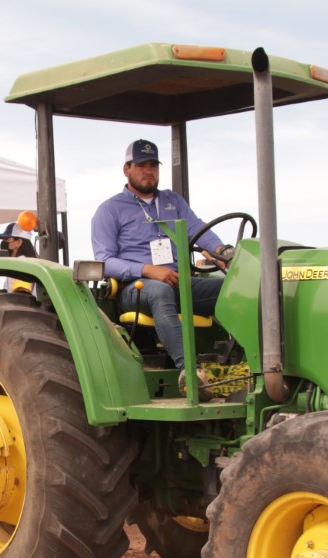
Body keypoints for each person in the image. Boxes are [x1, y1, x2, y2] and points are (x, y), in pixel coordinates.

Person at [91, 139, 235, 397]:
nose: (148, 171)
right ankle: (190, 374)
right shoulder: (109, 210)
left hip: (179, 281)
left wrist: (221, 251)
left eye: (153, 165)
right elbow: (105, 261)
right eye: (141, 165)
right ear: (127, 169)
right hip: (136, 289)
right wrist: (147, 269)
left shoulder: (172, 201)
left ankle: (245, 368)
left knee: (235, 289)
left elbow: (198, 230)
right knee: (159, 291)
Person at [0, 222, 37, 295]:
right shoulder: (16, 264)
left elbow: (21, 297)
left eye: (6, 239)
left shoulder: (22, 264)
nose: (3, 243)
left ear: (19, 242)